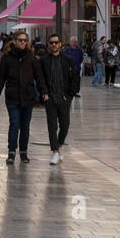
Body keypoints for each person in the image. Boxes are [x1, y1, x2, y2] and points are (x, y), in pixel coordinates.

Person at [0, 29, 47, 164]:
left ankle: (23, 151)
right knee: (14, 124)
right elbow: (0, 78)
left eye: (24, 40)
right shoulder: (7, 58)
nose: (23, 42)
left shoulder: (31, 57)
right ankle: (11, 151)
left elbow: (39, 76)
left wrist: (44, 91)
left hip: (28, 96)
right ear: (14, 41)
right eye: (20, 40)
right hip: (13, 96)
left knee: (25, 125)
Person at [39, 33, 79, 163]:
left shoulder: (68, 60)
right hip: (50, 98)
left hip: (64, 98)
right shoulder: (44, 60)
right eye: (51, 43)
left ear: (60, 44)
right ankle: (55, 151)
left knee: (65, 125)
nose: (54, 45)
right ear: (48, 45)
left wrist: (70, 95)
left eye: (56, 42)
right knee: (52, 126)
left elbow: (75, 78)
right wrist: (44, 93)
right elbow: (41, 79)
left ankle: (60, 144)